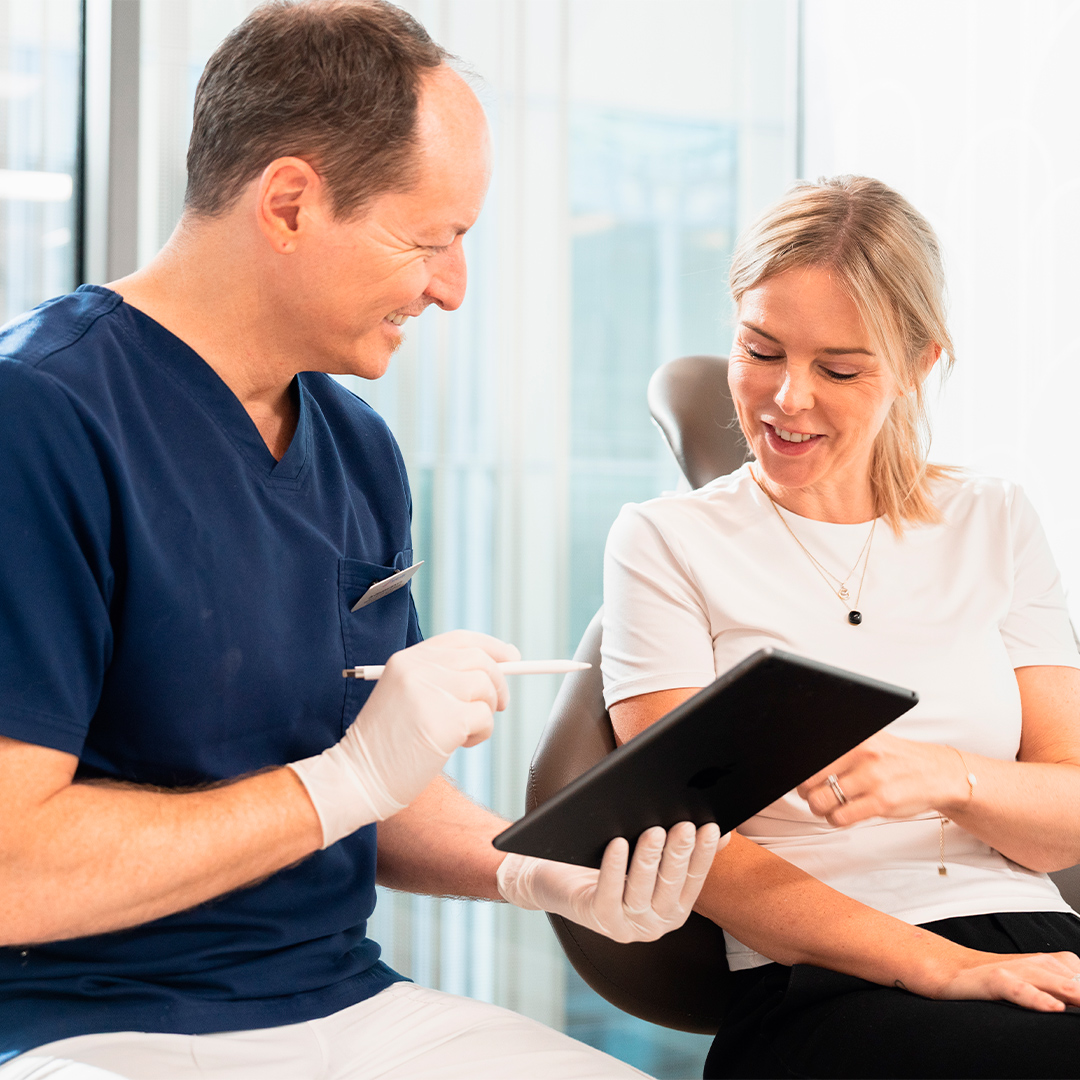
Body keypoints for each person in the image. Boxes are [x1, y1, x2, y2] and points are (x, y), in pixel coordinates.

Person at [0, 3, 724, 1078]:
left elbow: (379, 790)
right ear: (290, 203)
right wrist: (345, 779)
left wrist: (535, 873)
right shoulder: (38, 418)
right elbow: (13, 868)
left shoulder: (356, 447)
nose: (451, 287)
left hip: (345, 1002)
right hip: (90, 1024)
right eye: (428, 241)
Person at [601, 174, 1080, 1079]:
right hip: (821, 976)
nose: (787, 398)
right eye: (761, 350)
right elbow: (690, 845)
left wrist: (946, 776)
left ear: (918, 366)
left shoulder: (994, 520)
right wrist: (943, 967)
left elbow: (1065, 820)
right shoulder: (665, 542)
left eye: (840, 369)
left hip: (1036, 941)